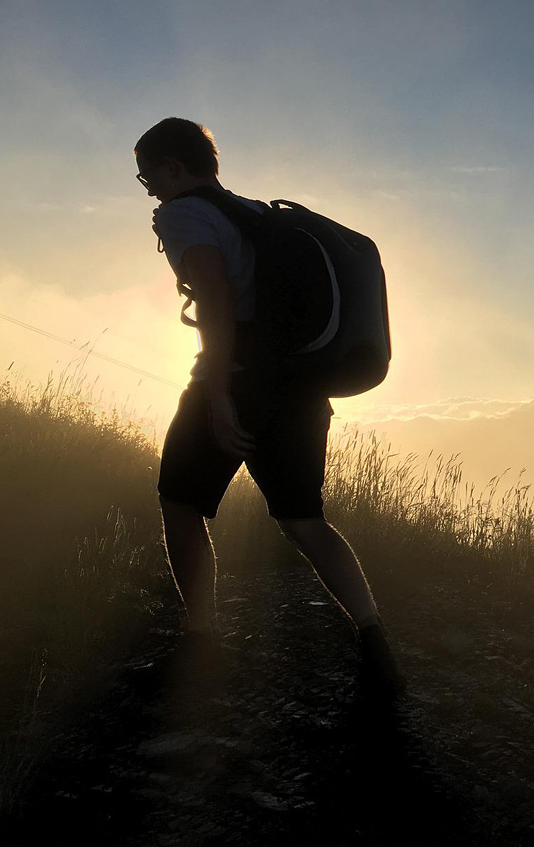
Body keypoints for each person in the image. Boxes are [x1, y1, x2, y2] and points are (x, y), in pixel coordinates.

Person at [135, 117, 405, 699]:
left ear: (174, 167)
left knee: (181, 504)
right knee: (305, 520)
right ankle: (374, 641)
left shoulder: (185, 213)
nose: (148, 187)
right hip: (302, 386)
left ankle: (199, 638)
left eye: (147, 174)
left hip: (238, 380)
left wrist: (219, 397)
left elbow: (214, 297)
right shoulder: (253, 211)